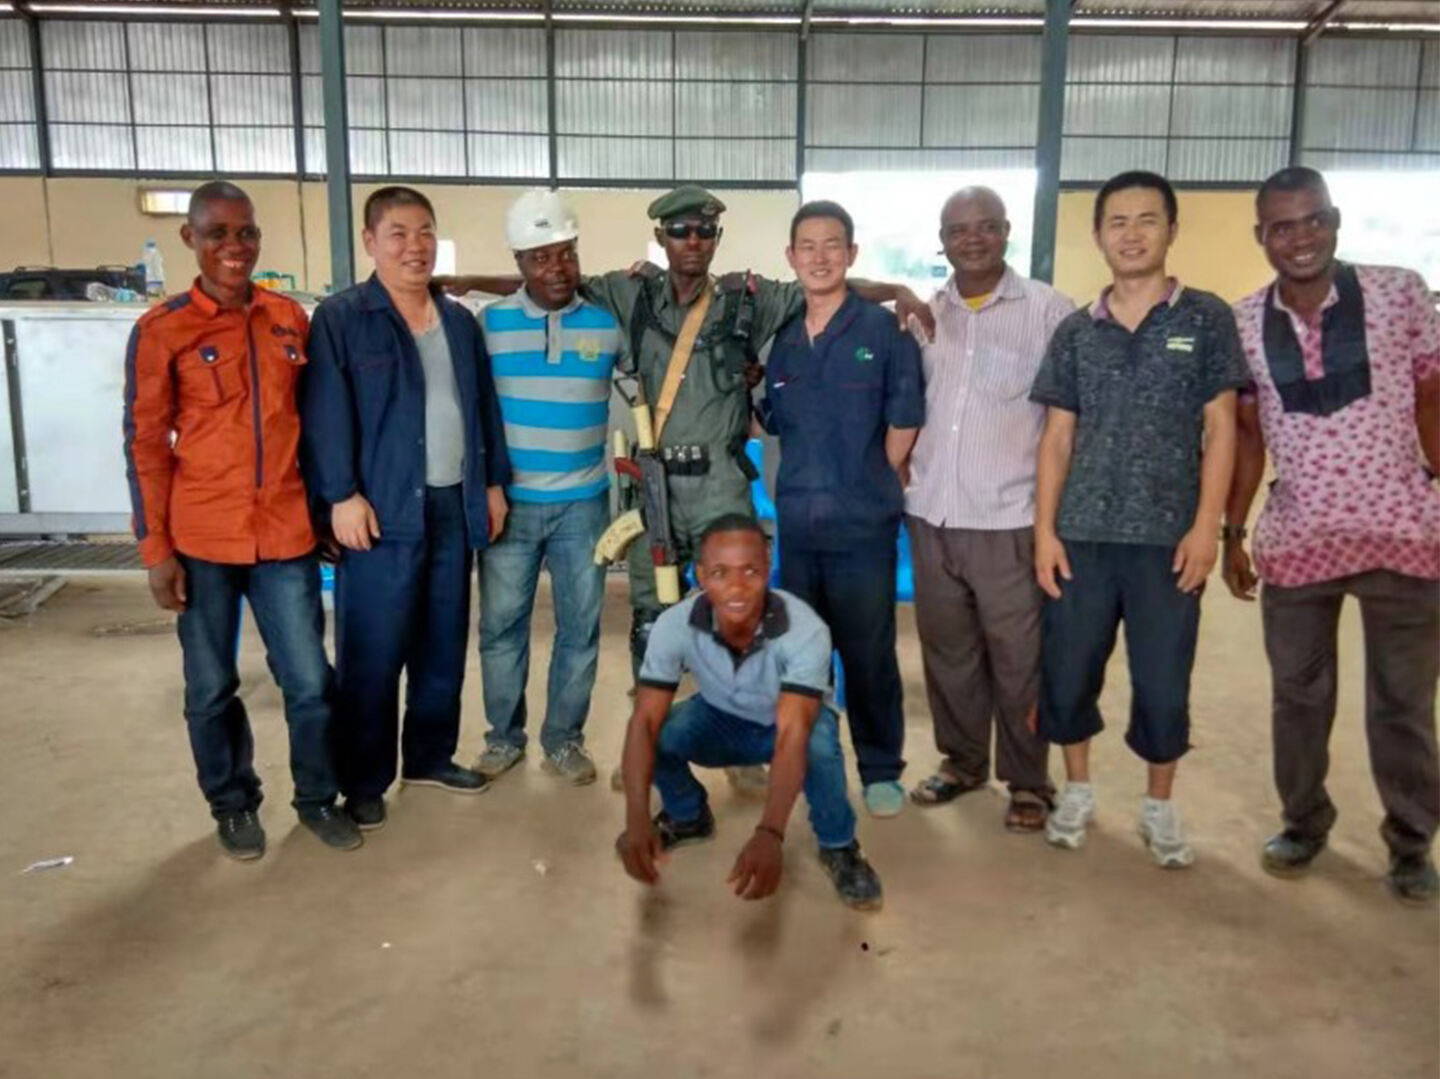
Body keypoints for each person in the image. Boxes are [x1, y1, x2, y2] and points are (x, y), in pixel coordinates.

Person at [443, 184, 932, 796]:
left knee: (740, 617)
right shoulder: (629, 293)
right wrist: (454, 280)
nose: (692, 243)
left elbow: (826, 286)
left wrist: (900, 292)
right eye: (680, 233)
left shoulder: (748, 299)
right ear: (662, 239)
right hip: (655, 489)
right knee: (653, 622)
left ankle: (744, 745)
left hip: (722, 486)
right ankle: (647, 743)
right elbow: (550, 275)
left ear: (716, 240)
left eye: (704, 232)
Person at [122, 181, 360, 859]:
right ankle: (233, 804)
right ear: (190, 239)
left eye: (246, 232)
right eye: (219, 233)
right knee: (210, 686)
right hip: (202, 540)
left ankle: (317, 797)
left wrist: (321, 512)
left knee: (311, 680)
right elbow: (144, 442)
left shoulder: (288, 318)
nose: (235, 246)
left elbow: (315, 427)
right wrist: (155, 549)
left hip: (284, 537)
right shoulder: (163, 329)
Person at [1222, 166, 1440, 904]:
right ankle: (1304, 821)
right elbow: (1248, 434)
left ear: (1335, 220)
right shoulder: (1245, 319)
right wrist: (1232, 531)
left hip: (1404, 531)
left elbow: (1432, 392)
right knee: (1298, 696)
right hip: (1299, 537)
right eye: (1282, 226)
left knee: (1403, 701)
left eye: (1312, 219)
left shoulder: (1398, 291)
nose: (1300, 237)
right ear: (1262, 237)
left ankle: (1411, 841)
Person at [1029, 170, 1246, 867]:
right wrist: (1044, 531)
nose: (1131, 233)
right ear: (1098, 235)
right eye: (1117, 221)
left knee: (1162, 678)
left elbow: (1222, 429)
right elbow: (1057, 437)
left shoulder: (1205, 318)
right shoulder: (1075, 331)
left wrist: (1206, 527)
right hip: (1082, 537)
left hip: (1166, 541)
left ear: (1171, 230)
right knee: (1068, 673)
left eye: (1147, 220)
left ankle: (1159, 804)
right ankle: (1079, 789)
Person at [301, 186, 511, 832]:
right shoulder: (342, 318)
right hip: (381, 510)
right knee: (373, 649)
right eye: (397, 233)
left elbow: (482, 407)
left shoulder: (457, 322)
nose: (413, 246)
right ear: (370, 242)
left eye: (424, 232)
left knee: (442, 638)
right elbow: (324, 413)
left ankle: (429, 754)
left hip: (453, 502)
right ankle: (364, 780)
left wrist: (493, 482)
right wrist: (339, 494)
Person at [904, 187, 1075, 832]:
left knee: (1019, 657)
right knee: (948, 651)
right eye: (957, 230)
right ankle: (962, 761)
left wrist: (1053, 525)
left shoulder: (1049, 312)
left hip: (1009, 519)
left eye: (985, 228)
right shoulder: (924, 313)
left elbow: (1068, 423)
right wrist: (892, 288)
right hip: (931, 513)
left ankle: (1029, 781)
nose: (971, 239)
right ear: (941, 239)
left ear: (1007, 232)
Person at [615, 514, 883, 910]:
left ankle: (838, 845)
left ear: (768, 563)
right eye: (720, 573)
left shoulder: (805, 630)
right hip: (719, 716)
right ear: (701, 575)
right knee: (661, 734)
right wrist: (636, 817)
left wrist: (770, 833)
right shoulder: (674, 626)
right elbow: (644, 721)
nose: (737, 587)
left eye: (750, 571)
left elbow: (793, 732)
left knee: (820, 742)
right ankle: (687, 815)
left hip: (786, 725)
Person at [761, 200, 923, 818]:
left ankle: (881, 769)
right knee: (802, 652)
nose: (820, 256)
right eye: (808, 246)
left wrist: (867, 476)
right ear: (792, 257)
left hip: (863, 527)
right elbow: (773, 420)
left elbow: (904, 420)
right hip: (799, 528)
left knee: (868, 651)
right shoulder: (784, 340)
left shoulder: (883, 332)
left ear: (851, 255)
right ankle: (808, 760)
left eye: (833, 245)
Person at [474, 191, 622, 786]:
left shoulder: (607, 323)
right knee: (500, 627)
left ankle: (563, 739)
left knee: (580, 627)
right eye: (540, 257)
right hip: (509, 505)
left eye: (566, 253)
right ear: (519, 263)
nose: (556, 268)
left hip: (584, 505)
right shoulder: (491, 325)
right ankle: (503, 738)